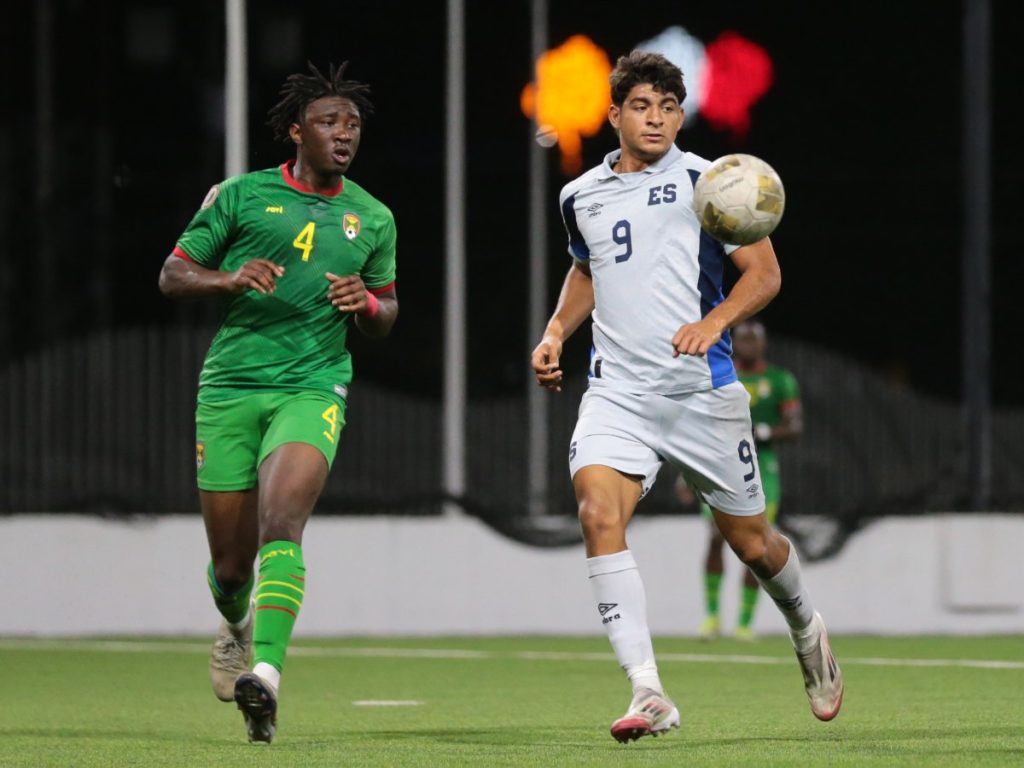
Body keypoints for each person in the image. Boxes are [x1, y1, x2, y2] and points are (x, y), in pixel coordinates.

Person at [530, 51, 842, 743]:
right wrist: (554, 334)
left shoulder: (713, 182)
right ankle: (648, 690)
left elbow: (764, 275)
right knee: (596, 512)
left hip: (702, 395)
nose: (657, 119)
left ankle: (805, 628)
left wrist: (714, 323)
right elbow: (587, 269)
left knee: (752, 543)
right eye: (642, 106)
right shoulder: (579, 195)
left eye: (669, 108)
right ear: (614, 114)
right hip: (618, 394)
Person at [158, 62, 398, 744]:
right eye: (329, 122)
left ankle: (265, 673)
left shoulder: (373, 217)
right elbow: (172, 274)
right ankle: (235, 625)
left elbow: (387, 313)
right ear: (297, 131)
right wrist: (229, 278)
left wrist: (367, 303)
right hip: (231, 387)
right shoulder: (241, 196)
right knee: (231, 568)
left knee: (282, 522)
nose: (343, 134)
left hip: (312, 385)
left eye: (352, 124)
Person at [681, 319, 803, 641]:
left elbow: (795, 427)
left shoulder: (779, 380)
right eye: (744, 339)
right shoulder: (717, 376)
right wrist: (685, 472)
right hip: (719, 465)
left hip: (762, 470)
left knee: (757, 546)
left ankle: (744, 624)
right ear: (734, 343)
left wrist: (765, 432)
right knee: (715, 536)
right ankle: (711, 618)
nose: (749, 345)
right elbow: (696, 424)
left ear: (764, 344)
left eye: (754, 339)